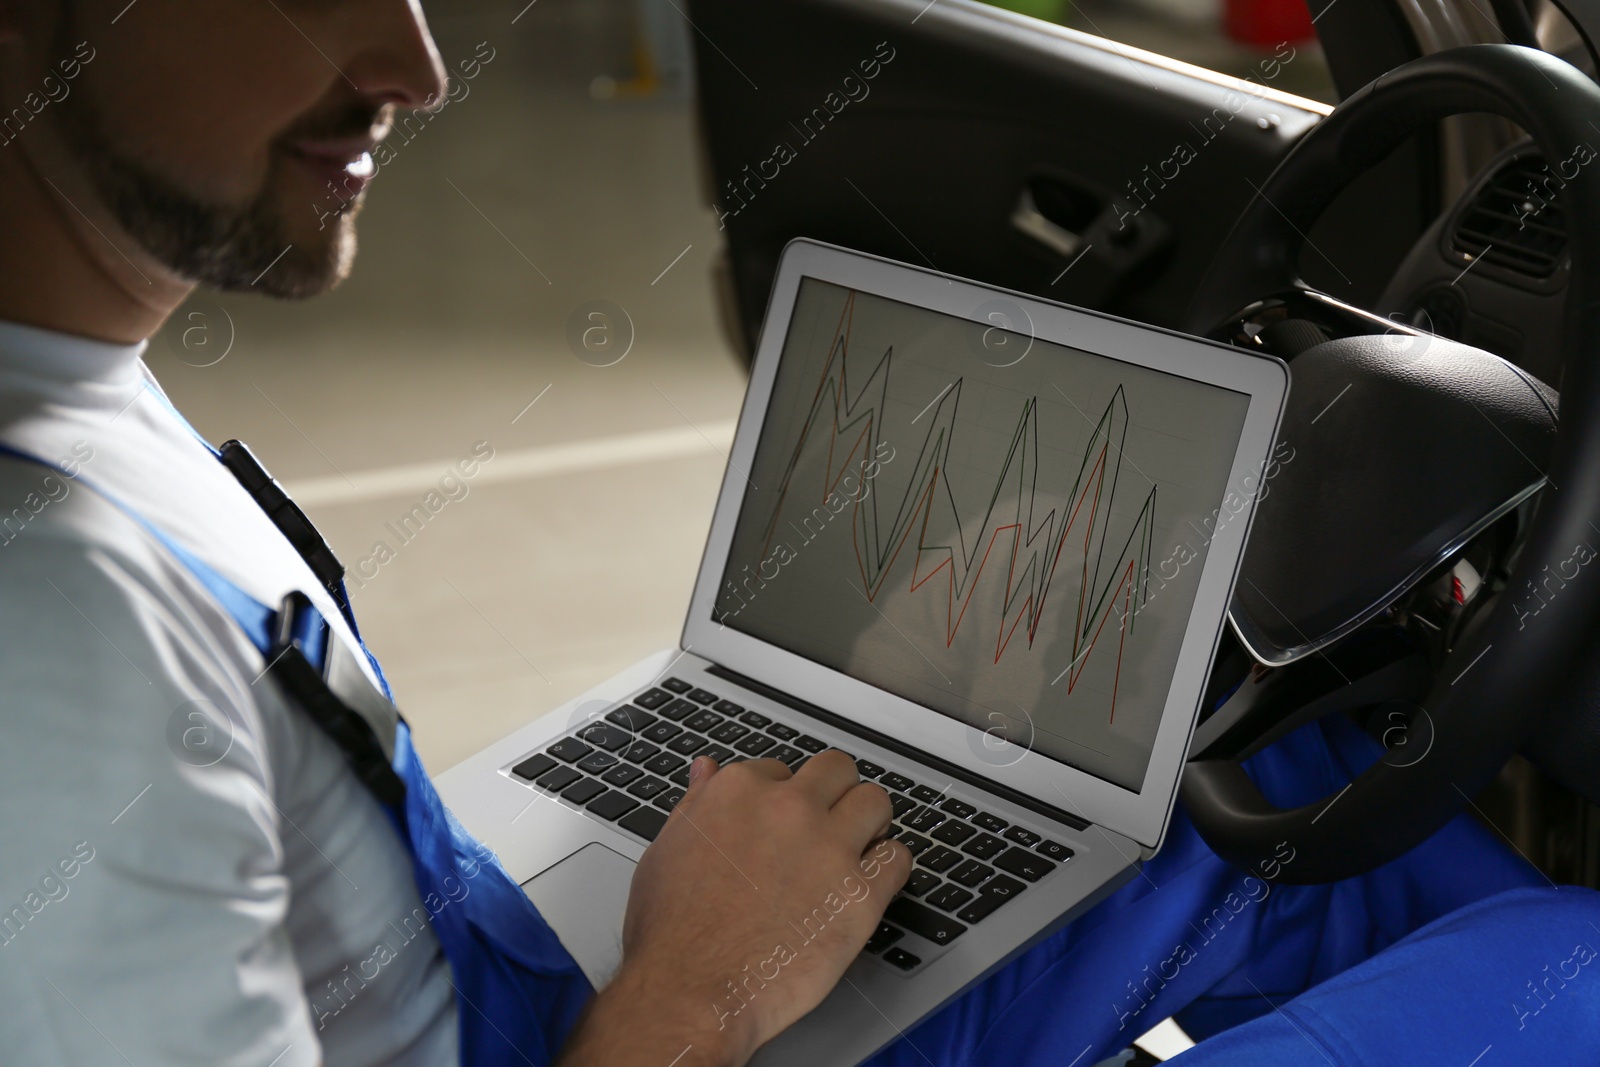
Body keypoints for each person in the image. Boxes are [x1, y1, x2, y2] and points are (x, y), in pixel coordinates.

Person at [1, 3, 1594, 1066]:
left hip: (556, 991)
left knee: (1282, 793)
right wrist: (698, 989)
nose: (414, 64)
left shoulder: (73, 380)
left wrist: (881, 698)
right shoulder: (48, 636)